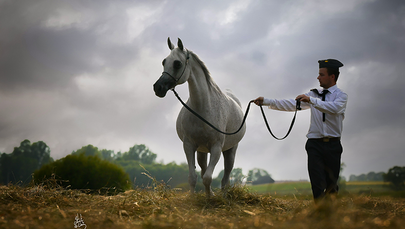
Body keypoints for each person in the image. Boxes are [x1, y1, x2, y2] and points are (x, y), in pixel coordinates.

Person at [253, 59, 348, 202]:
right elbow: (292, 104)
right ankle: (319, 214)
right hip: (314, 144)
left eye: (321, 74)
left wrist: (311, 101)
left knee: (331, 185)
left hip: (333, 145)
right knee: (317, 184)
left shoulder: (341, 96)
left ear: (332, 77)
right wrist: (266, 101)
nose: (318, 77)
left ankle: (331, 217)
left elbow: (334, 108)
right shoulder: (313, 94)